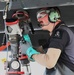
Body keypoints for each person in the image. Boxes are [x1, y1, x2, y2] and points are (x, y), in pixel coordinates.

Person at [24, 7, 74, 75]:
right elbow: (41, 50)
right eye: (38, 17)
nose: (38, 19)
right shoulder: (56, 36)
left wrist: (32, 54)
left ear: (53, 15)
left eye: (41, 15)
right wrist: (28, 46)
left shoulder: (60, 33)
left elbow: (49, 62)